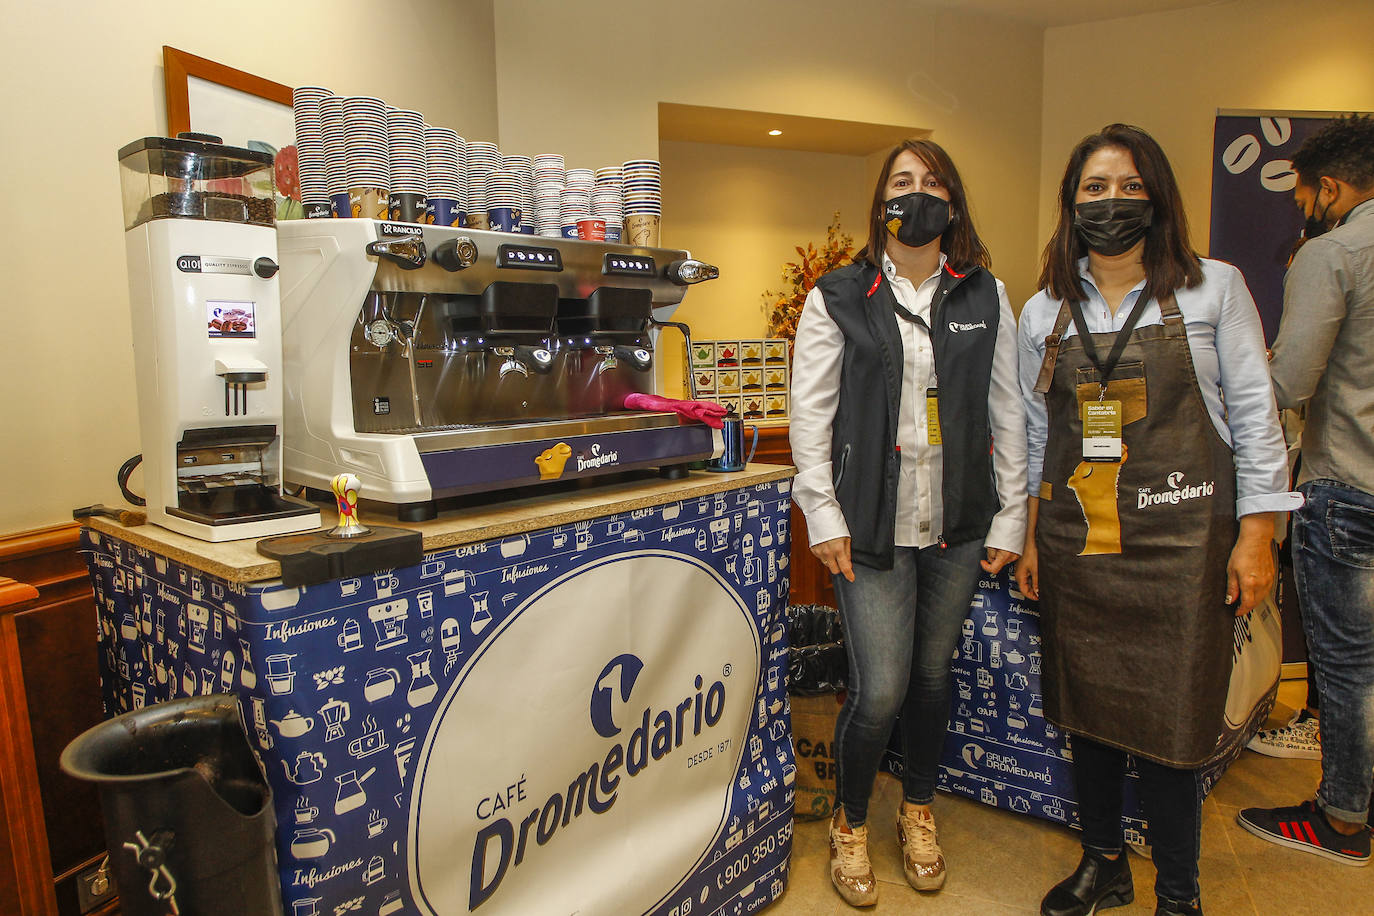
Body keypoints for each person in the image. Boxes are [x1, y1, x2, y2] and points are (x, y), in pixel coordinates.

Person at [1015, 124, 1300, 916]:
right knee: (1090, 715)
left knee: (1176, 725)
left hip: (1185, 543)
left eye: (1131, 186)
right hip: (1081, 541)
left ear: (1160, 197)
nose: (1113, 202)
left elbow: (1254, 415)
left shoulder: (1215, 287)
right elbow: (1038, 437)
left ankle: (1179, 894)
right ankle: (1103, 863)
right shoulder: (1044, 311)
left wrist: (1257, 535)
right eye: (1096, 188)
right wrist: (1034, 536)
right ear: (1072, 204)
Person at [790, 138, 1026, 907]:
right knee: (882, 687)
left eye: (931, 182)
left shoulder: (987, 295)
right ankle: (852, 822)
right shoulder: (838, 295)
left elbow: (1008, 412)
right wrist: (822, 512)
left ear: (952, 203)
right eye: (901, 181)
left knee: (931, 680)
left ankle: (917, 810)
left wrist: (1010, 517)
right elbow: (811, 416)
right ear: (881, 203)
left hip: (958, 526)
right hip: (872, 532)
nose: (916, 193)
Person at [1237, 113, 1374, 865]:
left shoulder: (1335, 252)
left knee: (1349, 664)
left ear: (1329, 186)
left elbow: (1289, 381)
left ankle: (1342, 818)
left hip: (1348, 485)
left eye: (1306, 196)